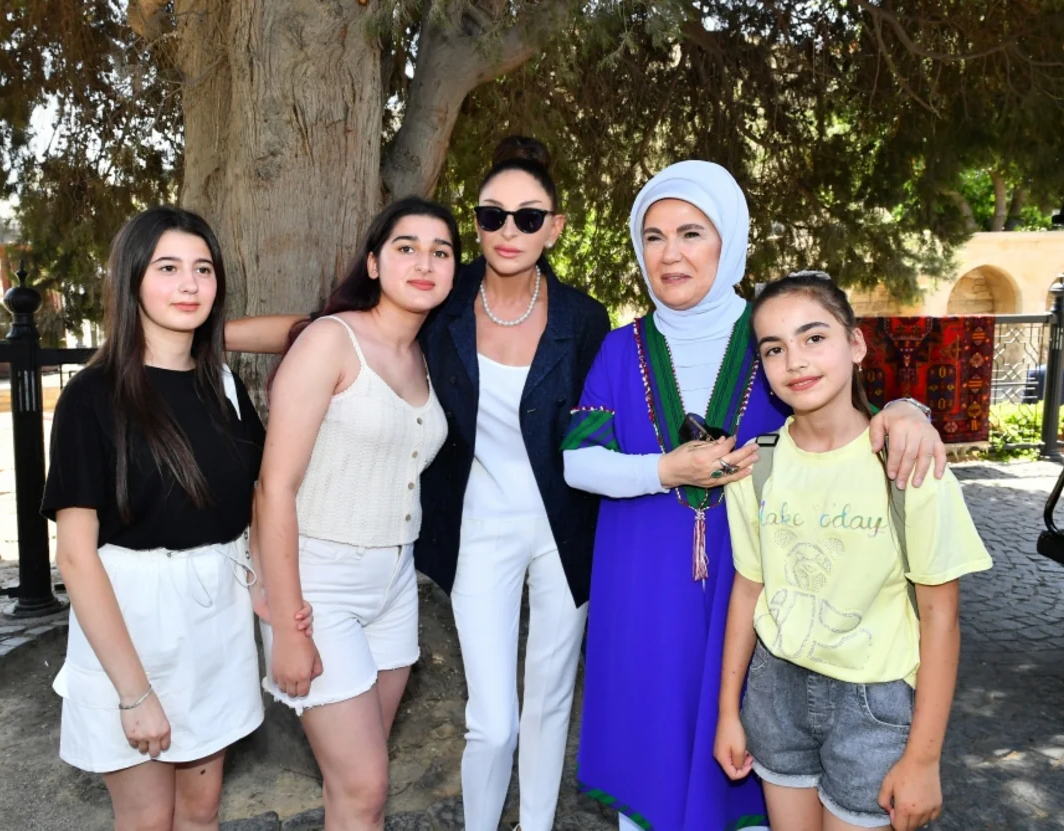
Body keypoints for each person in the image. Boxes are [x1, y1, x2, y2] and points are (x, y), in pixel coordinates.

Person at [227, 137, 610, 831]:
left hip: (555, 529)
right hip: (467, 529)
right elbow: (315, 332)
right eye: (492, 215)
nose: (509, 230)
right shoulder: (445, 298)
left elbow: (603, 415)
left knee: (548, 700)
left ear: (554, 227)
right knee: (485, 725)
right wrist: (199, 332)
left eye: (529, 217)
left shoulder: (582, 318)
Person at [562, 161, 948, 831]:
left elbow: (848, 410)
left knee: (755, 748)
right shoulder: (620, 349)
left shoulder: (774, 334)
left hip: (757, 587)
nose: (670, 254)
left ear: (731, 240)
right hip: (643, 583)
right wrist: (665, 469)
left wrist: (908, 408)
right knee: (652, 744)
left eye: (691, 233)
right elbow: (577, 462)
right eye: (653, 236)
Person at [43, 206, 307, 830]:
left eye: (203, 269)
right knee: (147, 819)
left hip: (216, 621)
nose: (190, 284)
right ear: (131, 279)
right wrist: (134, 693)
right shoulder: (92, 396)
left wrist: (259, 585)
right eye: (168, 268)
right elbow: (76, 557)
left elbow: (243, 502)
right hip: (132, 621)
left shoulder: (223, 385)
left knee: (201, 813)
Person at [714, 271, 992, 831]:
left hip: (875, 706)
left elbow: (941, 618)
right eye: (774, 348)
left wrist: (923, 760)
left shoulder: (909, 466)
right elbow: (748, 589)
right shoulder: (757, 467)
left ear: (856, 344)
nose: (795, 361)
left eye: (814, 337)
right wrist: (728, 711)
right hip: (774, 693)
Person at [253, 197, 457, 829]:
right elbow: (274, 487)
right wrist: (288, 622)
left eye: (441, 252)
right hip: (320, 583)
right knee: (365, 788)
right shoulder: (331, 341)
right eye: (406, 248)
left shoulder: (428, 354)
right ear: (373, 263)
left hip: (395, 584)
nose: (424, 263)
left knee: (355, 789)